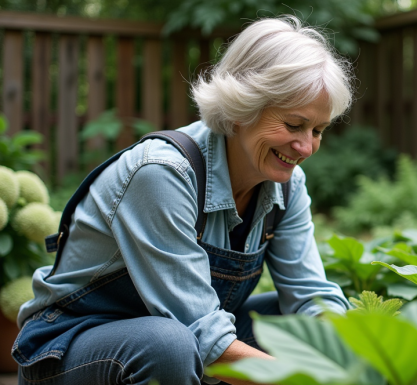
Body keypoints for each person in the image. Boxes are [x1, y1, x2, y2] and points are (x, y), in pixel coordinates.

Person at [13, 16, 352, 385]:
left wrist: (352, 356)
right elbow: (200, 333)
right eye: (292, 125)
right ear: (243, 108)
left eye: (317, 130)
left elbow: (311, 295)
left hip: (186, 342)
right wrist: (312, 380)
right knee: (169, 345)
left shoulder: (287, 186)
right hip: (69, 350)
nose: (306, 147)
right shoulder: (162, 173)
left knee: (302, 328)